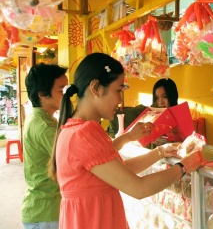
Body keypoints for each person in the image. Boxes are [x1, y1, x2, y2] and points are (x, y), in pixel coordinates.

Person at [48, 53, 203, 228]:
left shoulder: (76, 129)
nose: (120, 100)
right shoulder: (83, 133)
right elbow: (139, 188)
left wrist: (159, 152)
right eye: (118, 90)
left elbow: (121, 172)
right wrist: (183, 167)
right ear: (96, 88)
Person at [22, 63, 68, 229]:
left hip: (43, 210)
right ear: (43, 94)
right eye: (61, 90)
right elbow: (75, 159)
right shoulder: (44, 126)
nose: (67, 95)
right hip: (46, 212)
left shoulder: (40, 118)